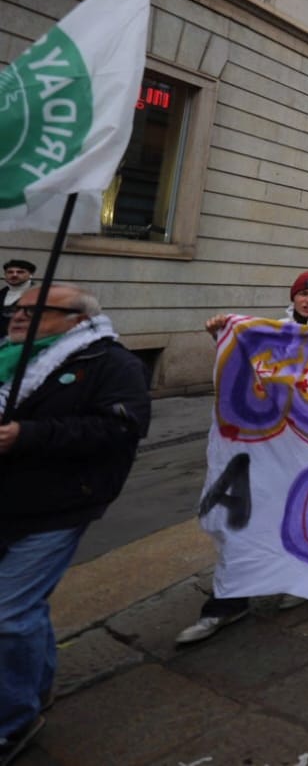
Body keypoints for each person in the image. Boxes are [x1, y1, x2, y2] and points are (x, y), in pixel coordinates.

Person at [0, 282, 149, 761]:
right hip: (8, 499)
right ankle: (36, 687)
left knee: (6, 615)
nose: (19, 316)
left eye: (36, 310)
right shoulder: (8, 358)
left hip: (59, 505)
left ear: (77, 320)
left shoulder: (111, 364)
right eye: (17, 308)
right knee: (23, 607)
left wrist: (27, 435)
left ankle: (11, 720)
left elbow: (122, 426)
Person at [177, 269, 308, 649]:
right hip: (267, 449)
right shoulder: (267, 331)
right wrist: (224, 337)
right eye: (303, 294)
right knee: (246, 520)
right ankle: (227, 600)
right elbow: (242, 369)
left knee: (306, 519)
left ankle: (299, 581)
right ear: (293, 297)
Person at [0, 260, 35, 327]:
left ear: (31, 274)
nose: (14, 275)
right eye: (10, 272)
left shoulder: (39, 294)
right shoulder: (2, 293)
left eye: (20, 272)